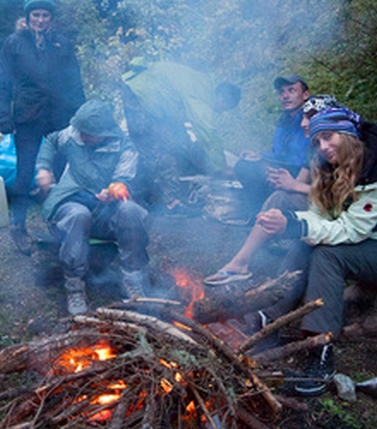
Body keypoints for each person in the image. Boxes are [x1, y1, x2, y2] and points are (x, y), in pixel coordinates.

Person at [255, 106, 377, 396]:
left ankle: (321, 353)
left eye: (328, 137)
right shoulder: (329, 169)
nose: (323, 146)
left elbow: (350, 230)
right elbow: (320, 217)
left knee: (327, 254)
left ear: (347, 133)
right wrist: (293, 223)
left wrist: (295, 226)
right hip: (364, 243)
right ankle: (268, 318)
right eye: (318, 141)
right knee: (306, 243)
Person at [204, 94, 341, 287]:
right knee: (279, 195)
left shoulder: (344, 146)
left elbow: (344, 199)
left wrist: (294, 186)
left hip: (345, 220)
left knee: (298, 251)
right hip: (323, 206)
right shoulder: (316, 146)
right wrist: (283, 181)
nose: (303, 123)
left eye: (309, 117)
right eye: (303, 117)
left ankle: (245, 260)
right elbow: (300, 182)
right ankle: (244, 259)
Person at [35, 100, 151, 315]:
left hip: (106, 211)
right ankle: (74, 285)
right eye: (81, 131)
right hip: (70, 201)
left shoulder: (125, 148)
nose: (82, 136)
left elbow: (122, 180)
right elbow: (51, 140)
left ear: (105, 133)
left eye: (89, 133)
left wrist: (113, 191)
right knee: (78, 215)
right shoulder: (74, 135)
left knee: (130, 211)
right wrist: (44, 168)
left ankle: (133, 279)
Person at [0, 0, 86, 254]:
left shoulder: (61, 44)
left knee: (57, 171)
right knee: (25, 173)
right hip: (28, 117)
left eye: (46, 15)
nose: (41, 20)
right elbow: (2, 83)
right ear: (28, 17)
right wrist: (5, 119)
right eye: (36, 15)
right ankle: (18, 227)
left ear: (52, 19)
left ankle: (57, 224)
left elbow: (74, 81)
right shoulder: (14, 43)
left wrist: (80, 117)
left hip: (58, 116)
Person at [120, 58, 241, 212]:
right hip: (140, 93)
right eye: (224, 108)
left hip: (142, 92)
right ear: (222, 97)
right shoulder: (202, 93)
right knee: (156, 149)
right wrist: (220, 167)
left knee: (170, 145)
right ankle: (167, 202)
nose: (220, 112)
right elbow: (208, 131)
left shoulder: (201, 84)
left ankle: (153, 196)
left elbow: (180, 130)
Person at [233, 74, 311, 221]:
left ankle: (266, 216)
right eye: (282, 92)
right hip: (289, 166)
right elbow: (279, 154)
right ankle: (258, 213)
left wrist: (270, 166)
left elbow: (310, 156)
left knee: (253, 169)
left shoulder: (312, 117)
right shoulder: (284, 120)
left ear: (306, 94)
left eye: (291, 90)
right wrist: (260, 156)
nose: (285, 96)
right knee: (246, 165)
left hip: (308, 172)